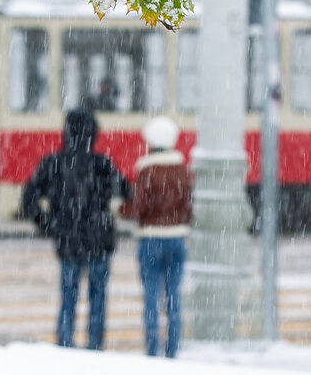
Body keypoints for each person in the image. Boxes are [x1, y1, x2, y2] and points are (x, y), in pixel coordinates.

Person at [20, 107, 131, 349]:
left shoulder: (53, 163)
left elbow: (28, 199)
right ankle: (94, 348)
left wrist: (50, 224)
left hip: (68, 241)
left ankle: (65, 346)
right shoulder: (102, 164)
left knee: (68, 300)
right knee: (98, 301)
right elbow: (126, 191)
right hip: (99, 242)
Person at [120, 116, 193, 358]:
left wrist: (119, 209)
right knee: (174, 295)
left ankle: (152, 348)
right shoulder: (182, 170)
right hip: (177, 240)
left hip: (150, 239)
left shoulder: (147, 170)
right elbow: (189, 207)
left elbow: (138, 208)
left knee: (151, 294)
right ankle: (172, 349)